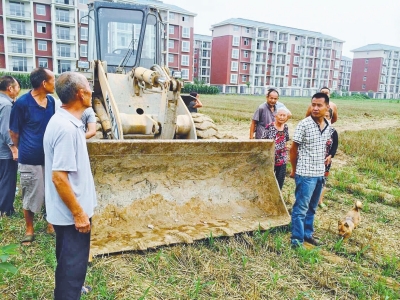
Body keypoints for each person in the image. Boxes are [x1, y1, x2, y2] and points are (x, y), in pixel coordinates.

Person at [43, 72, 97, 299]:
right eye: (89, 88)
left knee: (68, 261)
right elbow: (59, 177)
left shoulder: (67, 121)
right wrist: (79, 214)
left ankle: (72, 289)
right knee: (72, 267)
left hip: (68, 213)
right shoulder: (66, 129)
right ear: (80, 94)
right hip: (72, 216)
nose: (92, 92)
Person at [9, 67, 56, 244]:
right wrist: (22, 148)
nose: (55, 84)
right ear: (44, 83)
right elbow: (14, 131)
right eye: (52, 80)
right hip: (30, 158)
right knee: (30, 193)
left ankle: (51, 223)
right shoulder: (22, 103)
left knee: (51, 192)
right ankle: (30, 229)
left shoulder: (51, 102)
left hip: (50, 157)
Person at [289, 92, 332, 248]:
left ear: (327, 107)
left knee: (312, 208)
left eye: (319, 105)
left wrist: (329, 157)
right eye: (313, 104)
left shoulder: (328, 125)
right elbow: (293, 150)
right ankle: (296, 240)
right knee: (300, 208)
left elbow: (327, 146)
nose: (315, 108)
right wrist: (294, 170)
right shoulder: (304, 124)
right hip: (305, 174)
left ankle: (307, 234)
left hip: (319, 173)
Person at [0, 76, 21, 216]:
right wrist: (13, 148)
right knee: (8, 180)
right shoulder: (6, 105)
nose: (18, 89)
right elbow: (6, 129)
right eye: (17, 86)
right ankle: (5, 210)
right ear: (10, 88)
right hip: (5, 151)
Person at [261, 107, 290, 190]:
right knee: (268, 176)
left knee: (280, 178)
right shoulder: (269, 126)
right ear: (275, 116)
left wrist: (286, 150)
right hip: (270, 156)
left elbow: (286, 140)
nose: (282, 117)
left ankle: (278, 195)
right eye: (280, 115)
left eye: (284, 115)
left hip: (282, 157)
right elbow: (263, 140)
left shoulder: (286, 127)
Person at [318, 109, 338, 209]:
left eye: (327, 116)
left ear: (330, 118)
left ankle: (320, 200)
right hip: (314, 160)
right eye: (323, 116)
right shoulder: (315, 128)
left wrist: (330, 155)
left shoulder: (333, 131)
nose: (325, 118)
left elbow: (334, 146)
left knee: (323, 181)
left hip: (326, 161)